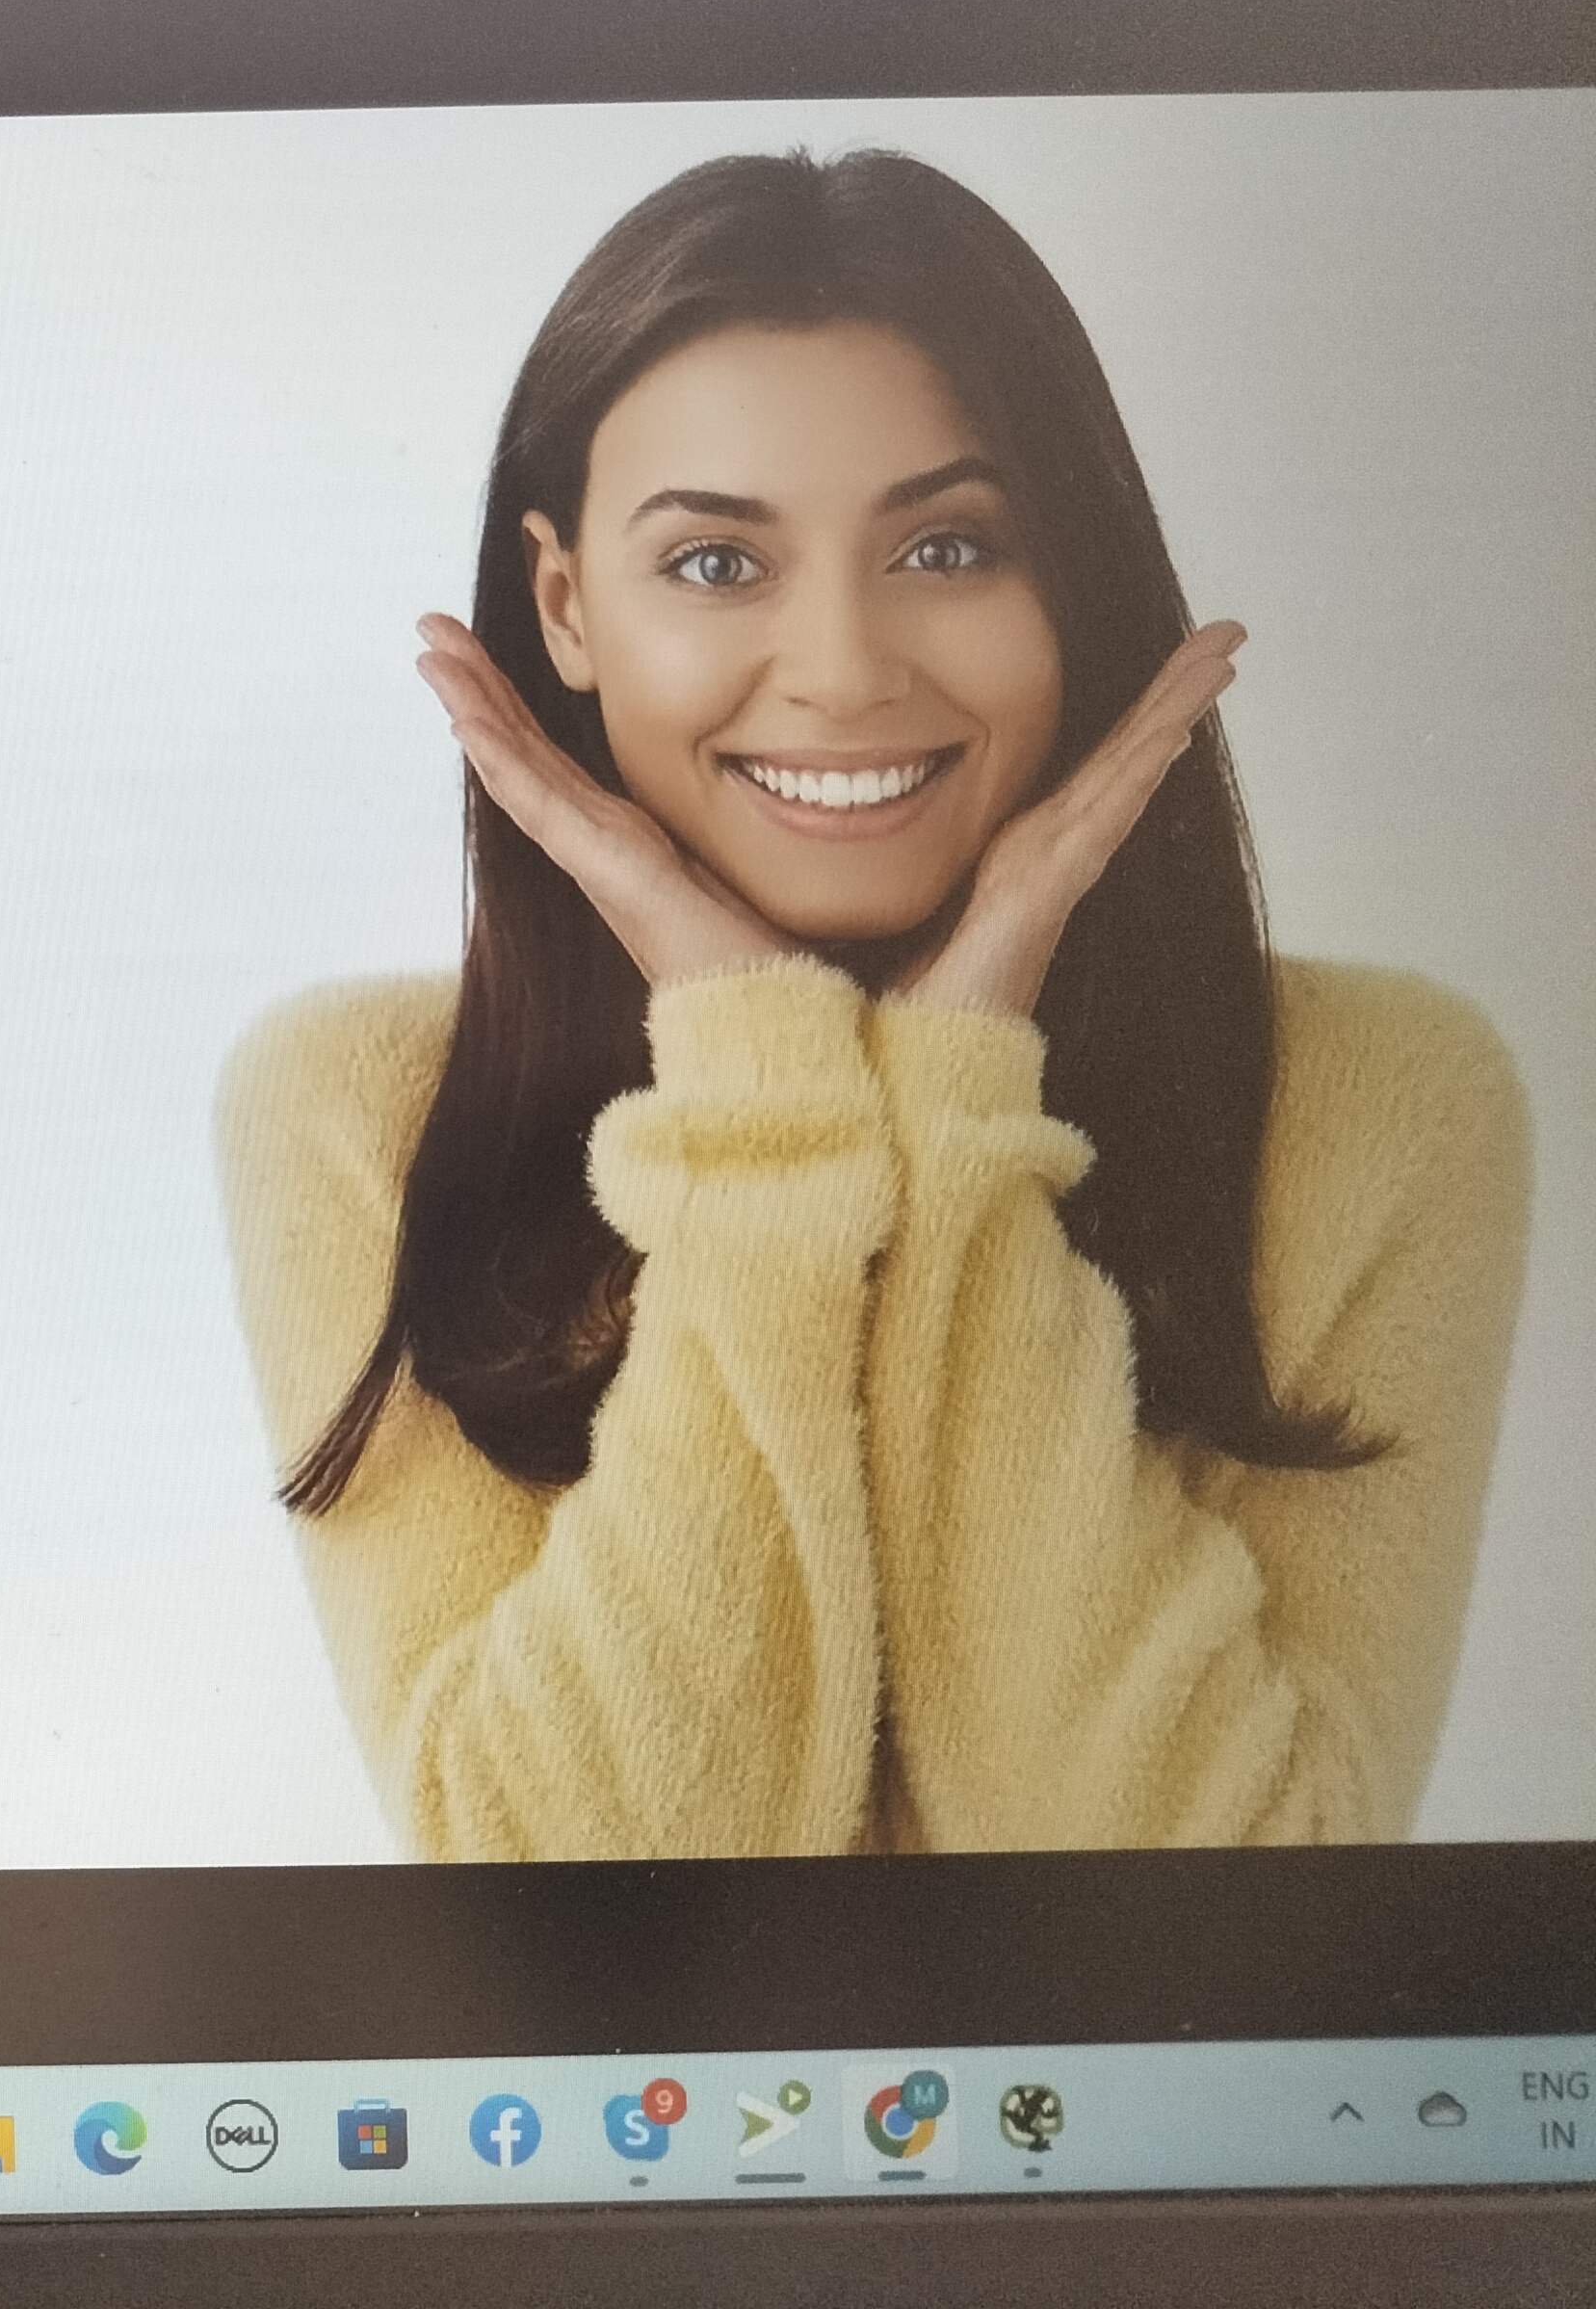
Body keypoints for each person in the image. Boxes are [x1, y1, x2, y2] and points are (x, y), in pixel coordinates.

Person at [214, 148, 1530, 1862]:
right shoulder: (356, 1109)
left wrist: (955, 1106)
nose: (841, 666)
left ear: (1074, 581)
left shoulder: (1386, 1094)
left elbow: (1213, 1921)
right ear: (563, 606)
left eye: (948, 545)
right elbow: (574, 1918)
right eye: (713, 565)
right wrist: (759, 1084)